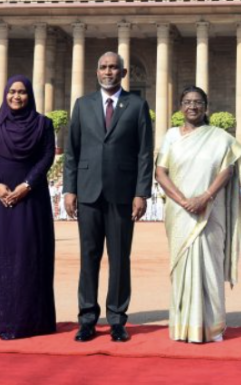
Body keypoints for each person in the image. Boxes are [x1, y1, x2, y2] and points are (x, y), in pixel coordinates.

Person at [63, 52, 154, 343]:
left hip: (123, 193)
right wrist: (70, 188)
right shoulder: (83, 104)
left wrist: (142, 192)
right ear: (97, 72)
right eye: (103, 67)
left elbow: (144, 153)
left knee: (119, 258)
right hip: (88, 191)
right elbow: (72, 151)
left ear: (123, 72)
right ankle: (87, 318)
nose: (108, 71)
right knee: (88, 257)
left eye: (113, 67)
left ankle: (117, 318)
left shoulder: (137, 105)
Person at [156, 86, 241, 343]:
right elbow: (161, 172)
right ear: (180, 106)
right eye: (187, 102)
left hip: (210, 210)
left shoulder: (220, 137)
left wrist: (204, 198)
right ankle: (184, 325)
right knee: (182, 266)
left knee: (210, 265)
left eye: (197, 102)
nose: (192, 106)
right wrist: (184, 201)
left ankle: (212, 326)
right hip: (179, 212)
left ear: (206, 107)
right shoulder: (171, 136)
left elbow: (227, 170)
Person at [0, 75, 57, 340]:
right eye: (12, 91)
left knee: (29, 256)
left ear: (30, 95)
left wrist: (27, 185)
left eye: (22, 92)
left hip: (31, 199)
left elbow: (47, 156)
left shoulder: (43, 124)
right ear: (5, 93)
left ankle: (30, 320)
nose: (16, 96)